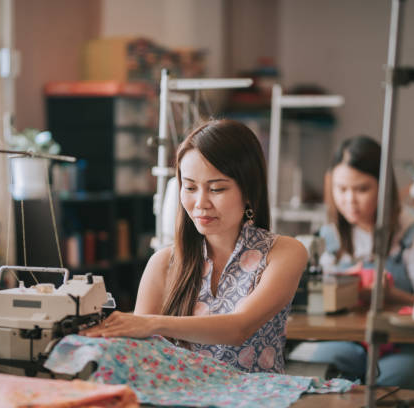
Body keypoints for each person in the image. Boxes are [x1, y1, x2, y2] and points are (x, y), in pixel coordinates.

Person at [81, 119, 307, 373]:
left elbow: (239, 327)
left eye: (217, 189)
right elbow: (141, 353)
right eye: (189, 187)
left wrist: (151, 323)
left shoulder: (283, 253)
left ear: (248, 190)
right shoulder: (163, 263)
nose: (200, 203)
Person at [290, 135, 414, 390]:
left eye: (361, 189)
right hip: (349, 341)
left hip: (404, 344)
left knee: (391, 386)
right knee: (311, 370)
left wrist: (392, 296)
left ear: (383, 188)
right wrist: (341, 285)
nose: (350, 200)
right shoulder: (330, 237)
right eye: (341, 189)